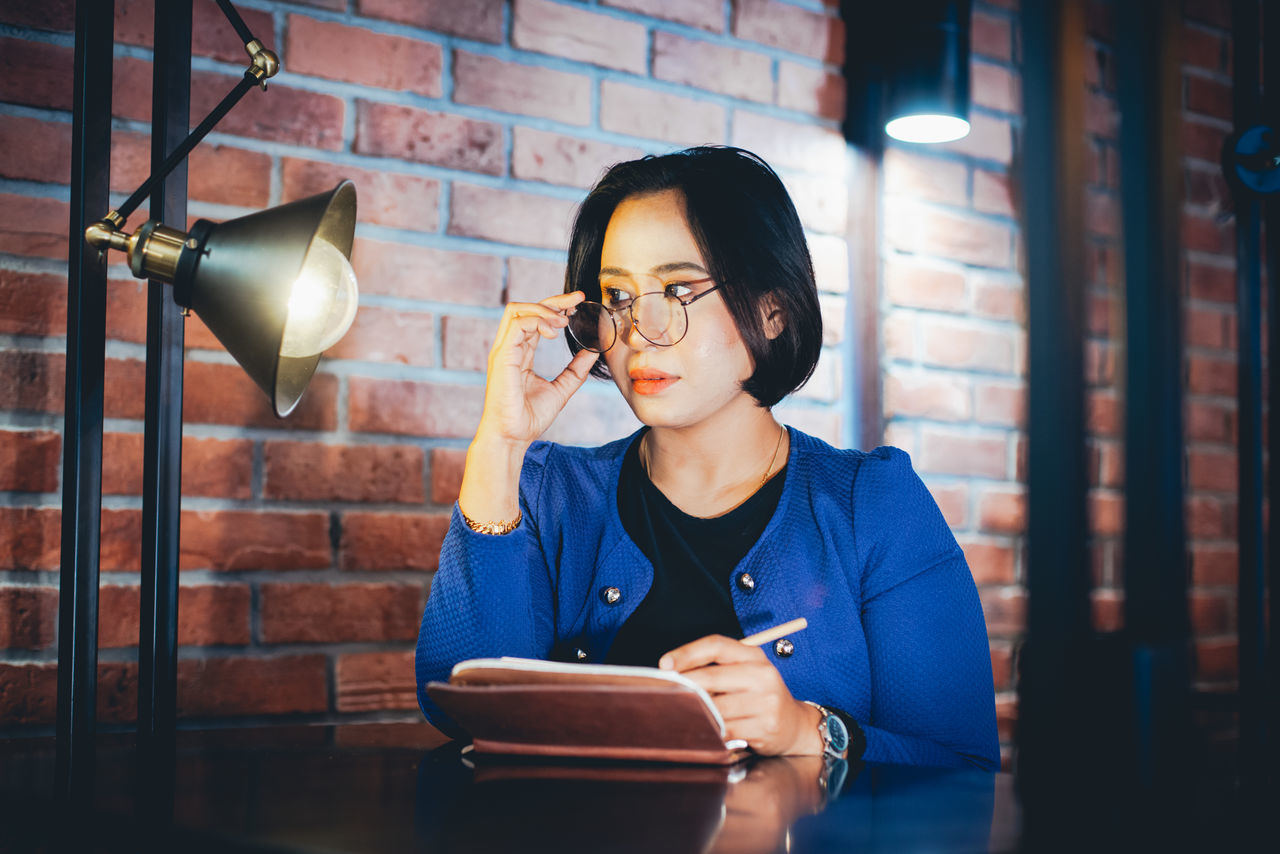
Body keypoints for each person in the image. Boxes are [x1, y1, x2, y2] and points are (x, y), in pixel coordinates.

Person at [415, 146, 999, 769]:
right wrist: (498, 446)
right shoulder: (549, 493)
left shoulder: (873, 505)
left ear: (772, 312)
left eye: (676, 288)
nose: (639, 327)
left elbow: (964, 770)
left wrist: (811, 733)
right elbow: (456, 703)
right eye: (616, 295)